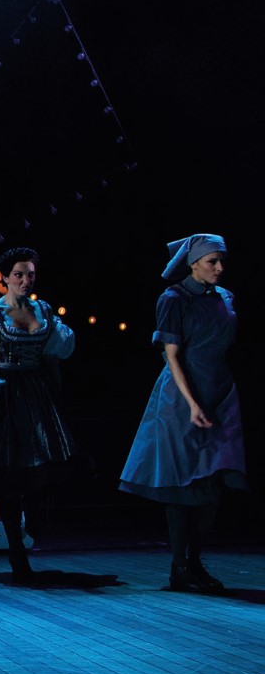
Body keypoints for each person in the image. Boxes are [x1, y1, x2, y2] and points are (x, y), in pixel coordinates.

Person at [119, 234, 247, 593]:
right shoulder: (174, 298)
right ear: (193, 263)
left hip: (220, 393)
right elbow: (172, 356)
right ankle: (180, 567)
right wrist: (192, 404)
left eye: (221, 261)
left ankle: (195, 561)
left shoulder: (225, 298)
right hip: (181, 398)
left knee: (214, 481)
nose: (219, 268)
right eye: (212, 261)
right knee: (182, 483)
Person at [0, 247, 85, 583]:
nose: (26, 281)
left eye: (30, 275)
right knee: (8, 474)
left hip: (37, 394)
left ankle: (33, 522)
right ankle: (16, 551)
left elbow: (53, 356)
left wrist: (57, 398)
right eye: (19, 275)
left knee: (41, 468)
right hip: (4, 395)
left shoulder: (43, 310)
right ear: (5, 279)